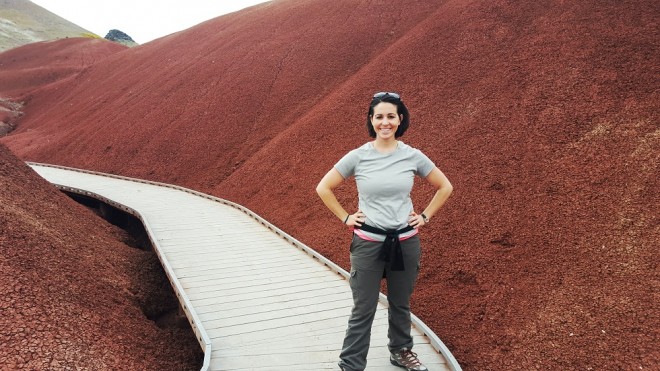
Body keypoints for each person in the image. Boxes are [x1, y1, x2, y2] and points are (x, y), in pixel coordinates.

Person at [316, 92, 453, 371]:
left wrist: (424, 216)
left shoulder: (412, 156)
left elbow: (445, 186)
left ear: (400, 119)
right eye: (379, 116)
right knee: (363, 308)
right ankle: (351, 364)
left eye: (391, 116)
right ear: (371, 120)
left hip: (405, 242)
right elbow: (323, 187)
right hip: (368, 242)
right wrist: (346, 218)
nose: (385, 122)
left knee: (400, 304)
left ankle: (401, 351)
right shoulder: (358, 156)